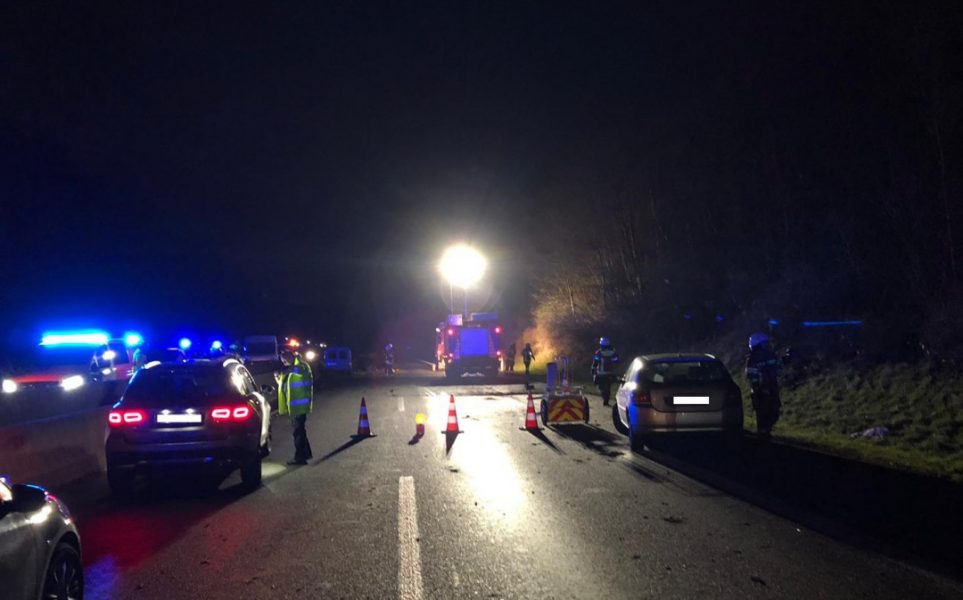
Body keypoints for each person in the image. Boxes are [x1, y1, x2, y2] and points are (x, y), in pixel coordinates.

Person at [278, 351, 314, 465]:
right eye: (282, 361)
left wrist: (286, 372)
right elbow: (287, 387)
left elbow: (298, 371)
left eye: (284, 360)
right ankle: (306, 454)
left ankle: (300, 458)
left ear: (290, 357)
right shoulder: (292, 369)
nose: (284, 363)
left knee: (298, 433)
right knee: (300, 431)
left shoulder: (302, 366)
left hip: (300, 406)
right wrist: (279, 379)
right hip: (295, 407)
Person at [745, 332, 781, 439]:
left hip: (769, 387)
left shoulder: (766, 355)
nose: (767, 344)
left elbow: (777, 366)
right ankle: (763, 434)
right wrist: (759, 387)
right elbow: (752, 376)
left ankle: (765, 432)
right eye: (765, 343)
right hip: (761, 389)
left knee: (771, 411)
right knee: (764, 412)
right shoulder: (753, 358)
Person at [591, 337, 621, 405]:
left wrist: (593, 369)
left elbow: (595, 362)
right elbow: (617, 360)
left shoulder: (598, 352)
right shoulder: (613, 352)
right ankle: (606, 399)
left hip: (600, 373)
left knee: (600, 386)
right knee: (608, 387)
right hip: (610, 373)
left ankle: (604, 396)